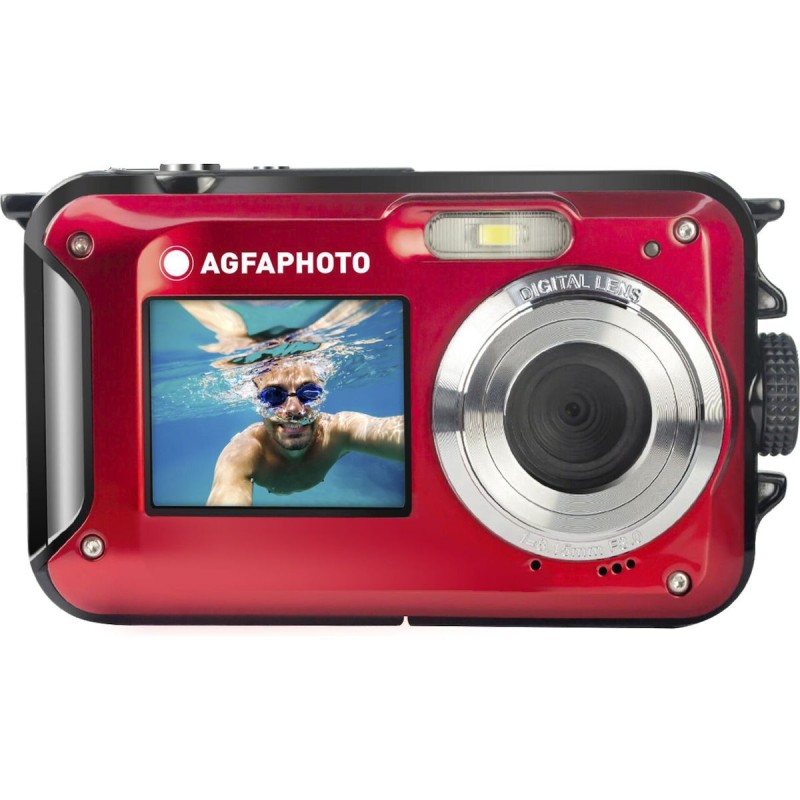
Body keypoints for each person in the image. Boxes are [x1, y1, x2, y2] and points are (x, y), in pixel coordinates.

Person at [207, 360, 404, 505]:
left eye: (308, 393)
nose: (294, 408)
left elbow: (404, 434)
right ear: (258, 401)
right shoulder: (244, 451)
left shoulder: (339, 430)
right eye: (274, 395)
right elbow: (223, 522)